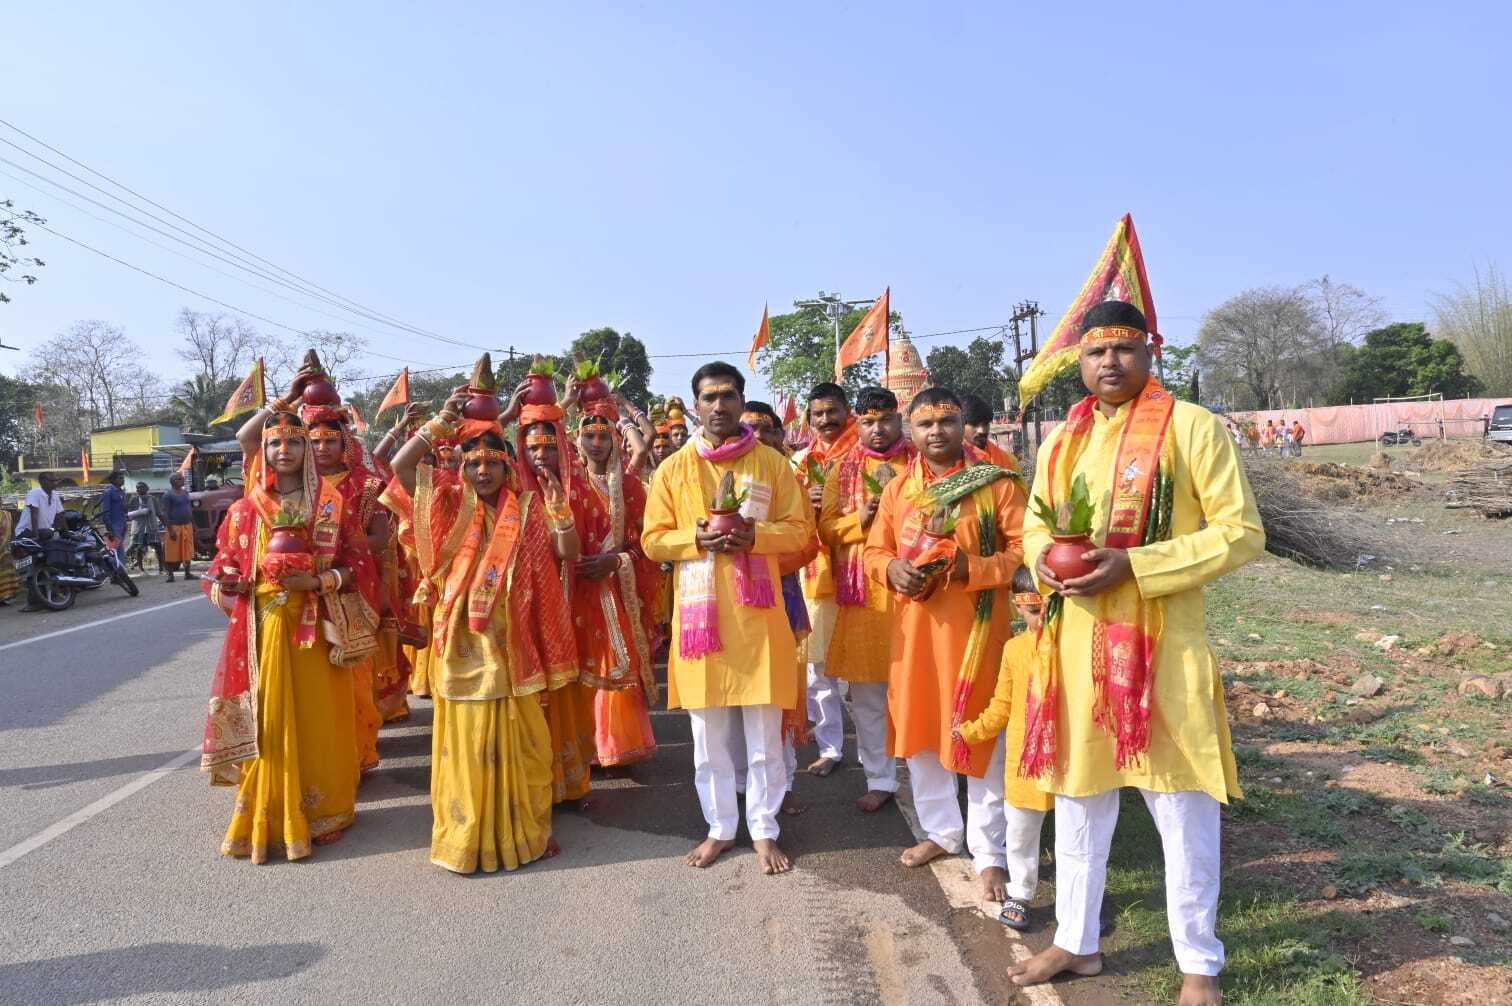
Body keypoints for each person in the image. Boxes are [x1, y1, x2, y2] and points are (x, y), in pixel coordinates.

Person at [1009, 301, 1263, 1006]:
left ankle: (1198, 964)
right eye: (1096, 352)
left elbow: (1241, 532)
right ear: (1079, 362)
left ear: (1150, 353)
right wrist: (1043, 563)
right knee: (1079, 799)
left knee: (1182, 806)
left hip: (1161, 648)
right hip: (1075, 645)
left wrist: (1137, 567)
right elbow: (1034, 523)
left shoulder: (1190, 426)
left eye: (1124, 349)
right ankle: (1077, 940)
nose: (1109, 363)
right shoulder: (1063, 440)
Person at [382, 373, 581, 873]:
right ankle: (466, 837)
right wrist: (438, 425)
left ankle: (518, 831)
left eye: (493, 462)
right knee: (467, 748)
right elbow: (399, 466)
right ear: (462, 468)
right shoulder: (447, 504)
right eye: (473, 462)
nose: (483, 470)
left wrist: (562, 515)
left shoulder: (532, 508)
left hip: (514, 647)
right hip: (463, 646)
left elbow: (565, 556)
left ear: (509, 466)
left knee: (525, 745)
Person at [642, 362, 810, 874]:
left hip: (758, 624)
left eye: (729, 396)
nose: (719, 406)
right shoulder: (673, 469)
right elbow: (652, 541)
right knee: (707, 740)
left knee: (763, 738)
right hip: (701, 628)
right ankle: (719, 828)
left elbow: (802, 533)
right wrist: (695, 540)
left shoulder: (773, 465)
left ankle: (763, 829)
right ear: (696, 404)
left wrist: (754, 538)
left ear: (742, 402)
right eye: (710, 397)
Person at [863, 386, 1025, 902]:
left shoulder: (996, 485)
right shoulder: (899, 491)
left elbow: (1025, 552)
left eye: (947, 421)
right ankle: (942, 832)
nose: (937, 432)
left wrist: (971, 569)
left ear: (963, 425)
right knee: (923, 733)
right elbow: (874, 550)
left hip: (977, 634)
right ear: (911, 431)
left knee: (981, 737)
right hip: (913, 637)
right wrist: (890, 569)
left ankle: (990, 852)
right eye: (926, 424)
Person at [201, 406, 373, 863]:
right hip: (266, 630)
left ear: (307, 451)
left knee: (322, 718)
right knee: (273, 722)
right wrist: (230, 584)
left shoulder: (332, 504)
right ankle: (272, 808)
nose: (284, 450)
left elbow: (359, 567)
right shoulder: (244, 511)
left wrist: (317, 582)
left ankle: (327, 810)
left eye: (294, 442)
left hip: (318, 628)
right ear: (264, 451)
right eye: (275, 442)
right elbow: (221, 569)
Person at [818, 386, 915, 812]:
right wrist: (861, 519)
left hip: (915, 593)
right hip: (863, 600)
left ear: (900, 418)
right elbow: (824, 531)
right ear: (858, 422)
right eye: (869, 422)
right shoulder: (842, 469)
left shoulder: (921, 462)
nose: (878, 430)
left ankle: (931, 774)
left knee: (917, 691)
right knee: (869, 698)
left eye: (885, 420)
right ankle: (880, 777)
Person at [954, 567, 1056, 930]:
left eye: (1049, 608)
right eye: (1032, 610)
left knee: (1078, 833)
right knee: (1021, 831)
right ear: (1018, 609)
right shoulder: (1014, 650)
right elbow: (1001, 705)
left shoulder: (1071, 647)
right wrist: (971, 731)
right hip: (1025, 764)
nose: (1041, 617)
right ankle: (1023, 893)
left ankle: (1081, 904)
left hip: (1067, 760)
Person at [569, 385, 663, 770]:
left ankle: (611, 744)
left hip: (616, 589)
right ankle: (580, 744)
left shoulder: (629, 487)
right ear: (577, 439)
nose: (595, 443)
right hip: (574, 587)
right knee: (576, 662)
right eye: (588, 436)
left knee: (615, 661)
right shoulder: (567, 484)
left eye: (603, 436)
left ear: (615, 440)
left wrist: (618, 562)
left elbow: (648, 546)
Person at [515, 382, 600, 806]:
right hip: (516, 605)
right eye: (532, 449)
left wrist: (558, 509)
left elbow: (572, 553)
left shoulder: (577, 487)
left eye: (548, 448)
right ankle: (529, 780)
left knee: (562, 689)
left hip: (563, 599)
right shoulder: (507, 489)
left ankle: (562, 779)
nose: (541, 456)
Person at [742, 400, 819, 816]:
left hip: (781, 595)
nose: (757, 436)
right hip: (732, 601)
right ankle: (743, 786)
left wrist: (762, 557)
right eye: (748, 428)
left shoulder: (790, 480)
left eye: (766, 428)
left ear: (779, 436)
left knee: (781, 697)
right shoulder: (732, 476)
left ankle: (782, 783)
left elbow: (807, 542)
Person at [790, 382, 858, 777]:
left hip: (861, 568)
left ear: (847, 411)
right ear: (809, 418)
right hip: (816, 572)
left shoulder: (865, 456)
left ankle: (879, 754)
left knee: (871, 674)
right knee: (819, 669)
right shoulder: (801, 461)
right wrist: (807, 499)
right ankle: (831, 747)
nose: (826, 420)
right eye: (818, 414)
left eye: (833, 412)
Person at [15, 472, 66, 611]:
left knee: (51, 562)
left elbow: (61, 515)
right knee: (33, 567)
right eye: (52, 480)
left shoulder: (55, 495)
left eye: (56, 480)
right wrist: (36, 536)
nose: (55, 483)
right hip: (27, 533)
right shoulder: (35, 493)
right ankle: (33, 602)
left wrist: (66, 532)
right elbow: (34, 514)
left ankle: (52, 594)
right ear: (42, 481)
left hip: (43, 534)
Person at [961, 394, 1019, 471]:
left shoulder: (1009, 461)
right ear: (960, 424)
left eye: (985, 424)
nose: (982, 430)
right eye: (974, 424)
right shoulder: (947, 463)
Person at [162, 473, 197, 582]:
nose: (182, 480)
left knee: (187, 550)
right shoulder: (167, 495)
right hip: (174, 526)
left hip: (187, 525)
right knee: (171, 551)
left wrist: (194, 524)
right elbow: (165, 513)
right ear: (172, 482)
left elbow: (189, 509)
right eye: (179, 479)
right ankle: (170, 575)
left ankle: (188, 573)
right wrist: (170, 530)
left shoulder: (185, 493)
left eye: (182, 478)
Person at [128, 482, 164, 572]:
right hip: (138, 528)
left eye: (141, 487)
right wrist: (140, 512)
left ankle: (161, 567)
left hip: (151, 527)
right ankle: (141, 568)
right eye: (137, 488)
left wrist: (166, 524)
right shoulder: (134, 500)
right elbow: (129, 514)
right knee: (139, 548)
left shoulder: (153, 499)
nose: (139, 489)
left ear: (147, 488)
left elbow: (159, 513)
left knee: (158, 546)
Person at [100, 470, 129, 568]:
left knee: (120, 548)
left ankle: (121, 570)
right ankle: (118, 570)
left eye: (123, 478)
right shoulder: (108, 493)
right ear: (113, 480)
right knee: (115, 549)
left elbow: (124, 509)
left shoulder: (122, 492)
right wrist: (109, 528)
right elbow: (105, 511)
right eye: (120, 478)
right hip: (114, 525)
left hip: (123, 523)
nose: (122, 479)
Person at [0, 506, 18, 606]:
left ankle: (5, 597)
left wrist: (12, 543)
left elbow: (12, 531)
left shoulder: (7, 514)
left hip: (5, 551)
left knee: (6, 574)